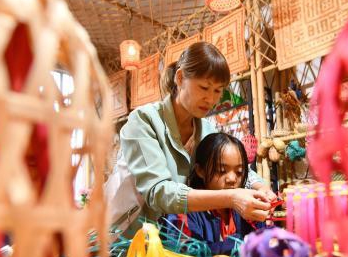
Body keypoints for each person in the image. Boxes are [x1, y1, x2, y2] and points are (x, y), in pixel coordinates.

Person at [107, 41, 275, 233]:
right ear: (180, 78)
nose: (211, 99)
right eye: (204, 87)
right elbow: (158, 192)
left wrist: (261, 187)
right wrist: (231, 198)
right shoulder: (144, 121)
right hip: (126, 234)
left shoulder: (206, 130)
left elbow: (235, 167)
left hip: (168, 237)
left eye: (217, 90)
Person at [164, 132, 259, 255]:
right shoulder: (183, 210)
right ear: (200, 171)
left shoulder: (245, 206)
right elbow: (187, 252)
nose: (232, 179)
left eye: (239, 172)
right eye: (222, 170)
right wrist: (240, 246)